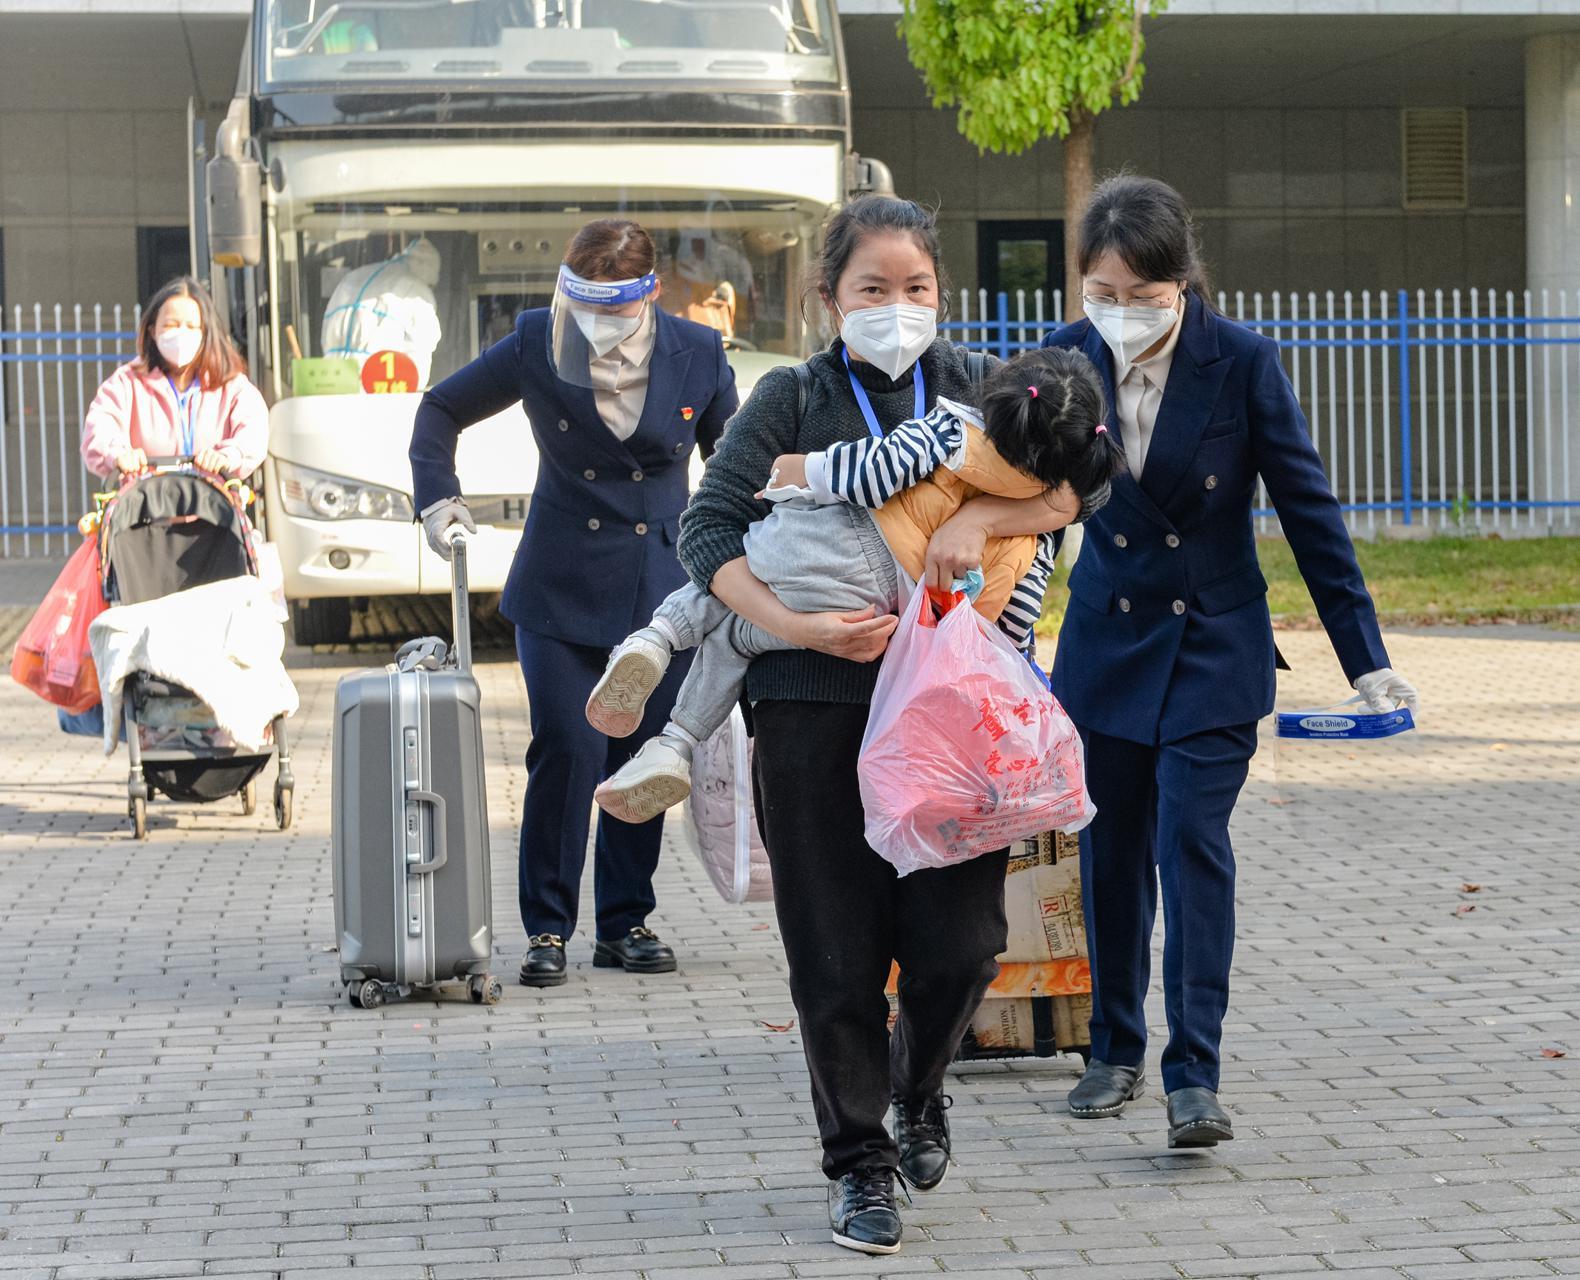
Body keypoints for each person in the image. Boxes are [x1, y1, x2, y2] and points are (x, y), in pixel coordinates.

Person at [675, 195, 1076, 1256]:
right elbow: (707, 527)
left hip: (951, 716)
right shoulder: (791, 397)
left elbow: (1076, 483)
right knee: (833, 953)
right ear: (827, 298)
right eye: (871, 288)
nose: (895, 308)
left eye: (915, 289)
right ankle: (858, 1162)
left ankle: (918, 1082)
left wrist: (984, 518)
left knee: (960, 946)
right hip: (813, 707)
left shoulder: (980, 384)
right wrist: (794, 622)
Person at [1041, 175, 1420, 1149]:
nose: (1119, 312)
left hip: (1211, 641)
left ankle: (1192, 1073)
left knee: (1190, 842)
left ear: (1180, 281)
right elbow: (1020, 513)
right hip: (1101, 646)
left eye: (1139, 293)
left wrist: (1363, 658)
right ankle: (1112, 1046)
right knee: (1109, 852)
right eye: (1101, 290)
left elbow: (1308, 512)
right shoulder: (1062, 363)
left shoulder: (1240, 362)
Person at [588, 346, 1122, 824]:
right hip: (887, 608)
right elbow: (1013, 623)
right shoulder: (1039, 532)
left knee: (740, 577)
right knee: (739, 635)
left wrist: (802, 472)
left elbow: (871, 473)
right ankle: (674, 743)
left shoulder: (955, 430)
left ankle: (654, 641)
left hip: (842, 543)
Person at [408, 218, 738, 990]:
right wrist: (437, 501)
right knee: (567, 748)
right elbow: (439, 411)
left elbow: (733, 461)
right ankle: (548, 929)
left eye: (613, 309)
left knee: (643, 755)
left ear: (649, 295)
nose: (598, 325)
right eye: (583, 305)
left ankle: (626, 922)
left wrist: (752, 549)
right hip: (557, 583)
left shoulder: (698, 353)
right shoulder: (536, 339)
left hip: (662, 591)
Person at [81, 277, 268, 482]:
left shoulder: (231, 385)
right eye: (171, 325)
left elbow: (254, 432)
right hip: (146, 508)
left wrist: (228, 455)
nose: (181, 334)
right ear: (153, 330)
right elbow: (99, 428)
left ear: (205, 332)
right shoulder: (126, 383)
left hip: (214, 507)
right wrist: (117, 454)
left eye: (191, 326)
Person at [322, 237, 443, 388]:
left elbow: (327, 326)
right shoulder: (416, 289)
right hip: (378, 387)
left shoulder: (355, 276)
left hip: (333, 380)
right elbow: (422, 345)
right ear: (430, 273)